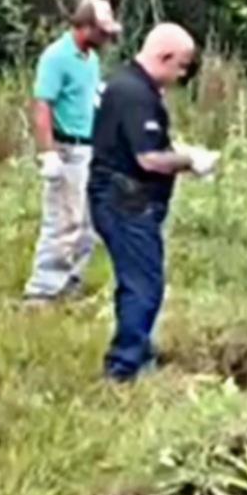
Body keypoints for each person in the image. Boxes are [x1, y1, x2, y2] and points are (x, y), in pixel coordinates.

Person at [87, 22, 218, 382]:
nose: (182, 74)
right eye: (181, 65)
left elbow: (141, 146)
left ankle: (138, 347)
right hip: (125, 201)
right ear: (163, 56)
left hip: (121, 196)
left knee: (140, 280)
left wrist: (177, 150)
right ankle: (124, 367)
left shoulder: (129, 84)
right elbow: (149, 159)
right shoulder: (134, 94)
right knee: (143, 286)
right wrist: (191, 161)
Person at [22, 0, 123, 307]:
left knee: (88, 223)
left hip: (90, 146)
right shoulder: (57, 56)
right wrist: (48, 152)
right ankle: (43, 290)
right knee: (63, 220)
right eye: (102, 32)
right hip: (66, 147)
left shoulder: (89, 58)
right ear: (85, 27)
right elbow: (42, 105)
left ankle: (71, 282)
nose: (107, 39)